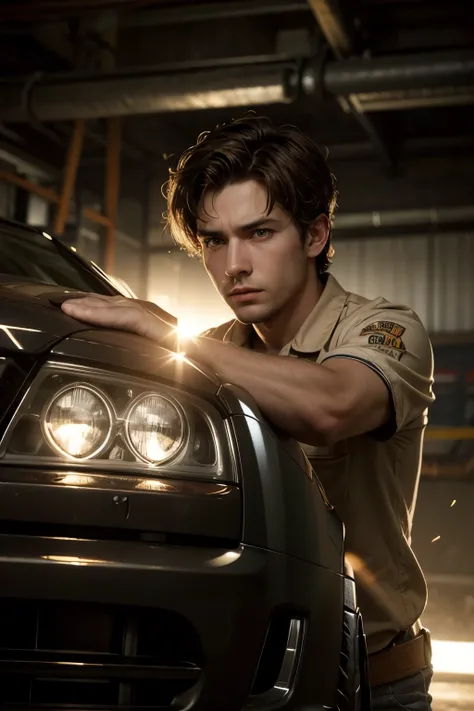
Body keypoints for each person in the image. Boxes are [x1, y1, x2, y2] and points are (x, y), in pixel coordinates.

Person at [62, 115, 435, 709]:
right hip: (236, 676)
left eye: (259, 233)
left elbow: (332, 404)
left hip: (373, 686)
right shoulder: (211, 351)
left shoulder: (386, 328)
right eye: (214, 240)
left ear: (315, 236)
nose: (234, 264)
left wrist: (166, 336)